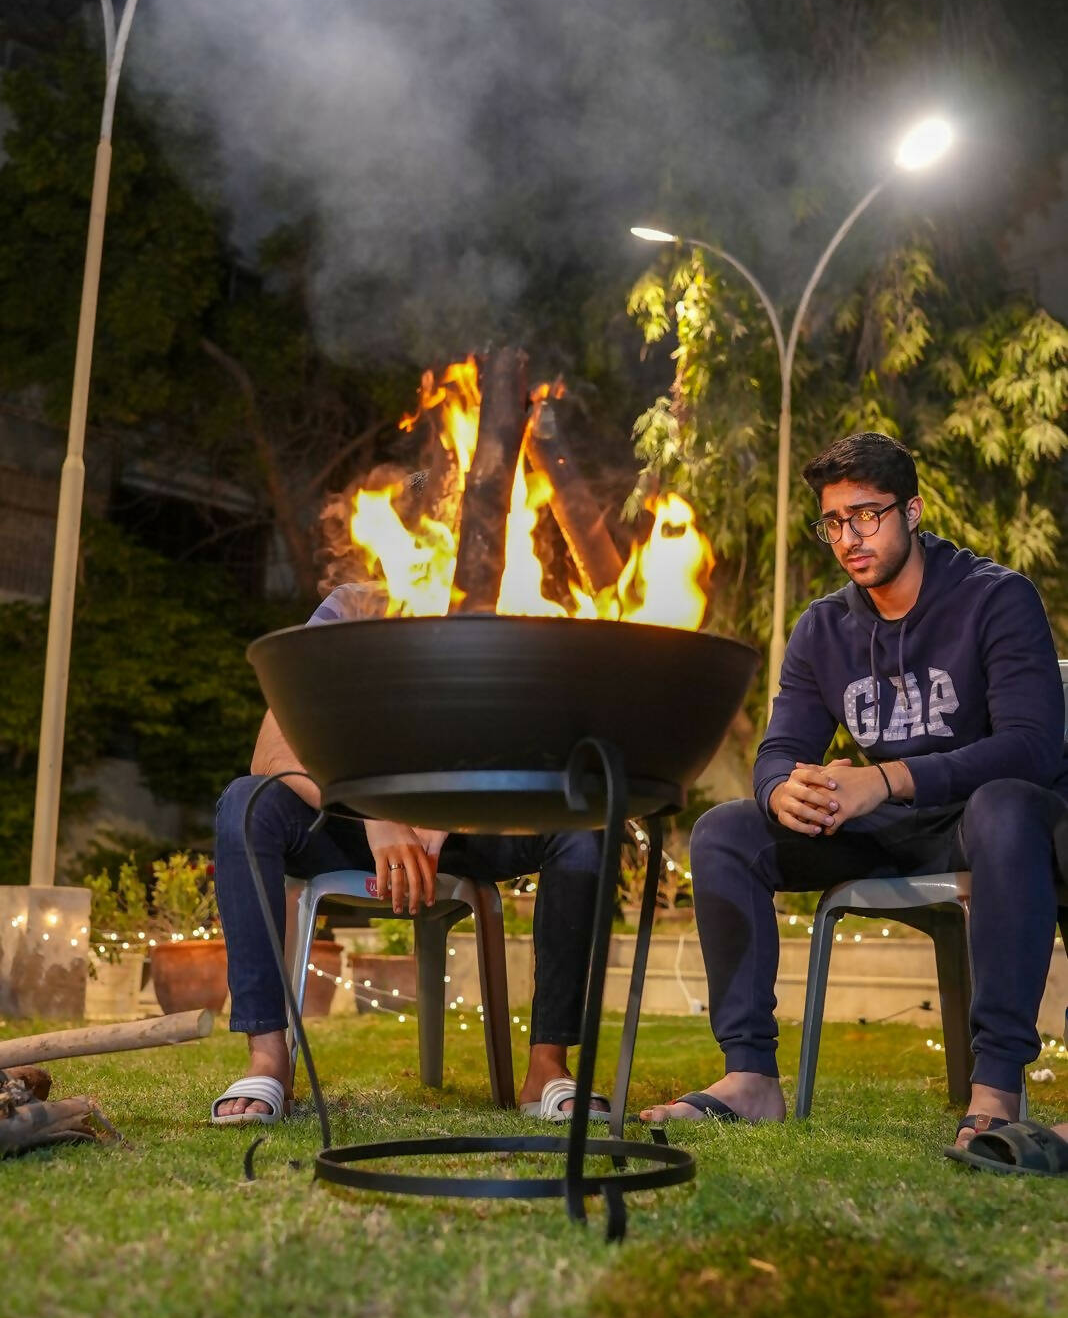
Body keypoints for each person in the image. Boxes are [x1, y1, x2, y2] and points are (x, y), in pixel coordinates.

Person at [640, 431, 1068, 1153]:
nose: (849, 538)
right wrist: (782, 791)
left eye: (867, 515)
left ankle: (996, 1088)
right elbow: (779, 750)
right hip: (886, 829)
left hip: (991, 828)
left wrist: (886, 779)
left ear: (913, 511)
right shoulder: (823, 628)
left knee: (1002, 805)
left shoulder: (995, 598)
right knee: (726, 832)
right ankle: (750, 1078)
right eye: (833, 522)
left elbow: (1032, 746)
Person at [211, 582, 606, 1124]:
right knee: (246, 803)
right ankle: (268, 1059)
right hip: (347, 823)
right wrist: (376, 815)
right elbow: (272, 752)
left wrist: (447, 812)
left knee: (582, 828)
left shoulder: (519, 601)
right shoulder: (353, 608)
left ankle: (547, 1067)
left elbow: (548, 748)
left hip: (469, 827)